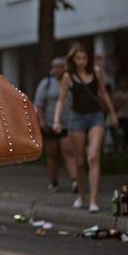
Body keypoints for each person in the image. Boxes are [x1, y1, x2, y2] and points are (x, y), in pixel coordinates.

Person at [53, 43, 119, 213]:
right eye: (78, 58)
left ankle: (93, 200)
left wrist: (113, 114)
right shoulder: (69, 76)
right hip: (76, 119)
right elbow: (61, 100)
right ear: (73, 60)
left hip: (96, 117)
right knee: (80, 162)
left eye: (84, 58)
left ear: (88, 59)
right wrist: (56, 120)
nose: (81, 61)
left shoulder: (96, 72)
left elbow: (103, 93)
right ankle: (81, 195)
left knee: (93, 156)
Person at [34, 58, 77, 192]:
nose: (58, 69)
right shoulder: (46, 83)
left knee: (68, 152)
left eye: (61, 67)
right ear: (52, 69)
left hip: (68, 123)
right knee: (52, 156)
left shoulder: (70, 81)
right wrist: (41, 121)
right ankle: (53, 182)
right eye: (56, 67)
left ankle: (75, 181)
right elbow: (39, 104)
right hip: (50, 124)